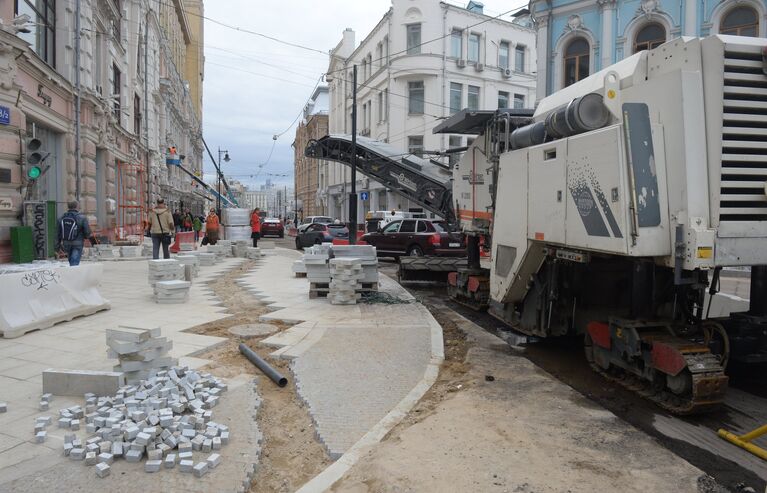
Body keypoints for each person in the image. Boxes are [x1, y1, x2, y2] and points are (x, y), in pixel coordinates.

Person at [56, 201, 98, 266]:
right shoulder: (82, 218)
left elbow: (58, 233)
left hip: (66, 242)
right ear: (77, 207)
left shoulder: (61, 218)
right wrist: (86, 237)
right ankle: (73, 273)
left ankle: (72, 272)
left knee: (71, 259)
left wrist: (57, 246)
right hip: (78, 243)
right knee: (74, 261)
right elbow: (87, 232)